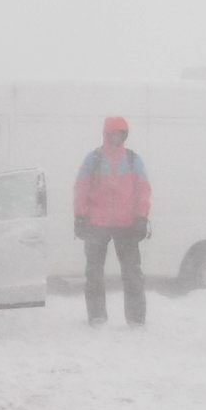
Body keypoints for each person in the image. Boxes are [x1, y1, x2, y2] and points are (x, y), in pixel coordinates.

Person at [73, 116, 152, 326]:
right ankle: (97, 315)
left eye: (121, 133)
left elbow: (143, 190)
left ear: (125, 135)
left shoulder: (133, 159)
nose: (117, 137)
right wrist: (80, 216)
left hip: (126, 225)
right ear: (106, 134)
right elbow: (81, 187)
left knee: (132, 273)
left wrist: (141, 217)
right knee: (94, 273)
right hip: (96, 224)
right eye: (113, 133)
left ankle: (136, 318)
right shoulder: (94, 159)